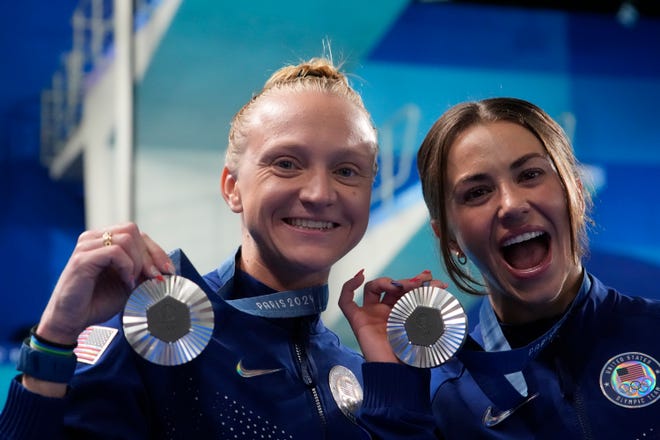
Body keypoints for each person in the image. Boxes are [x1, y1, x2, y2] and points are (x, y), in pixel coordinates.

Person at [0, 56, 432, 439]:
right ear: (232, 188)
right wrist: (55, 337)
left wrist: (394, 385)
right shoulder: (154, 327)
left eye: (346, 170)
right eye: (286, 163)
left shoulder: (359, 367)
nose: (320, 192)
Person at [339, 97, 660, 439]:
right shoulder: (441, 397)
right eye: (477, 192)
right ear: (448, 237)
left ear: (576, 194)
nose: (511, 204)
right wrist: (395, 390)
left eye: (530, 174)